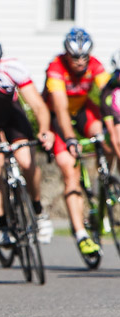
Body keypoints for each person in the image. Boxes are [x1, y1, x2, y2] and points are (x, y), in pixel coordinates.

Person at [0, 36, 55, 245]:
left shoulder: (12, 69)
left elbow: (37, 105)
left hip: (11, 117)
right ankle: (3, 223)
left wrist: (44, 130)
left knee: (26, 161)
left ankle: (38, 211)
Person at [42, 28, 109, 257]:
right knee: (70, 170)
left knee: (105, 132)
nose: (80, 62)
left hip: (81, 109)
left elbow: (109, 92)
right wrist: (70, 139)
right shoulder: (56, 68)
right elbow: (60, 108)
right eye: (75, 57)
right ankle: (81, 235)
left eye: (84, 57)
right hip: (57, 117)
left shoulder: (95, 65)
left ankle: (104, 178)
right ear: (67, 55)